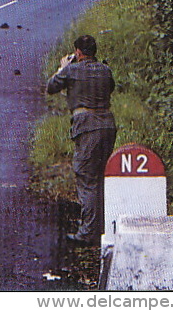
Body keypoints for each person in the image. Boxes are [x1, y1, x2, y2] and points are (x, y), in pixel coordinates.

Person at [46, 34, 116, 246]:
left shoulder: (72, 70)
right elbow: (110, 87)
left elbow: (51, 86)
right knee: (100, 175)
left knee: (86, 178)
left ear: (77, 52)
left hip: (87, 126)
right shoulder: (105, 70)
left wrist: (62, 67)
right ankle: (101, 225)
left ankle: (88, 233)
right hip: (107, 124)